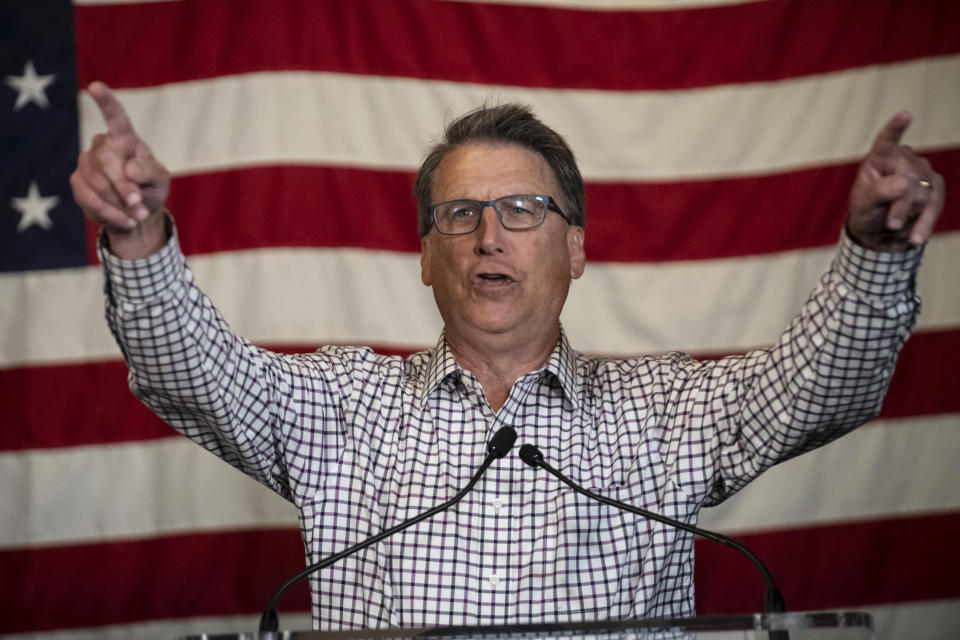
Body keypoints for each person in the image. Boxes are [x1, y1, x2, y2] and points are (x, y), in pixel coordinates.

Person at [71, 81, 944, 630]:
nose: (491, 238)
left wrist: (874, 252)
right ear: (423, 253)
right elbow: (194, 373)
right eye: (460, 215)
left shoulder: (665, 410)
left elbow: (818, 391)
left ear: (576, 249)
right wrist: (137, 232)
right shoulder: (340, 404)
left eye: (524, 211)